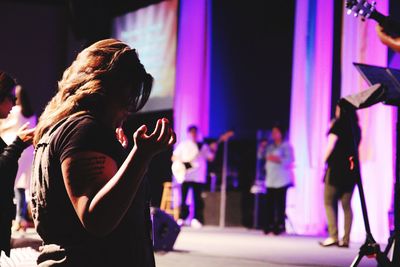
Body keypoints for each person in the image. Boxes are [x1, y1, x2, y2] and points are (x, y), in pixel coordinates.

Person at [30, 39, 176, 267]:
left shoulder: (59, 129)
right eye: (127, 98)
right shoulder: (85, 130)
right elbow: (96, 218)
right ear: (107, 89)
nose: (129, 110)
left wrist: (120, 157)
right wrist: (140, 156)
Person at [0, 71, 35, 257]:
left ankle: (20, 219)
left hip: (22, 152)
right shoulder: (29, 113)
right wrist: (18, 144)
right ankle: (21, 218)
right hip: (28, 154)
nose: (14, 103)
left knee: (19, 189)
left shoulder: (14, 115)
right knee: (21, 189)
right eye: (10, 98)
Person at [319, 102, 361, 248]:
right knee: (346, 205)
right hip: (351, 169)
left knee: (329, 202)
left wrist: (323, 161)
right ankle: (346, 239)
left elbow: (331, 144)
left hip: (336, 168)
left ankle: (333, 236)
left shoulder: (338, 125)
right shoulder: (356, 127)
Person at [171, 125, 217, 228]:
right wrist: (182, 164)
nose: (193, 134)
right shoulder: (184, 145)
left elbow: (210, 158)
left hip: (198, 176)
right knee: (184, 198)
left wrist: (214, 149)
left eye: (195, 132)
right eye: (191, 132)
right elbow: (174, 157)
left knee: (197, 199)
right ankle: (182, 218)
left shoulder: (203, 146)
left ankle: (196, 219)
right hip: (186, 176)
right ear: (188, 133)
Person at [262, 124, 294, 235]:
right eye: (273, 132)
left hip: (281, 180)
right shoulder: (270, 147)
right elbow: (263, 157)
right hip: (271, 179)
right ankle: (269, 225)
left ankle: (279, 225)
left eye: (276, 132)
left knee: (280, 204)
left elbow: (289, 161)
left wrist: (275, 158)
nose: (274, 134)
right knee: (269, 204)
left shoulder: (286, 146)